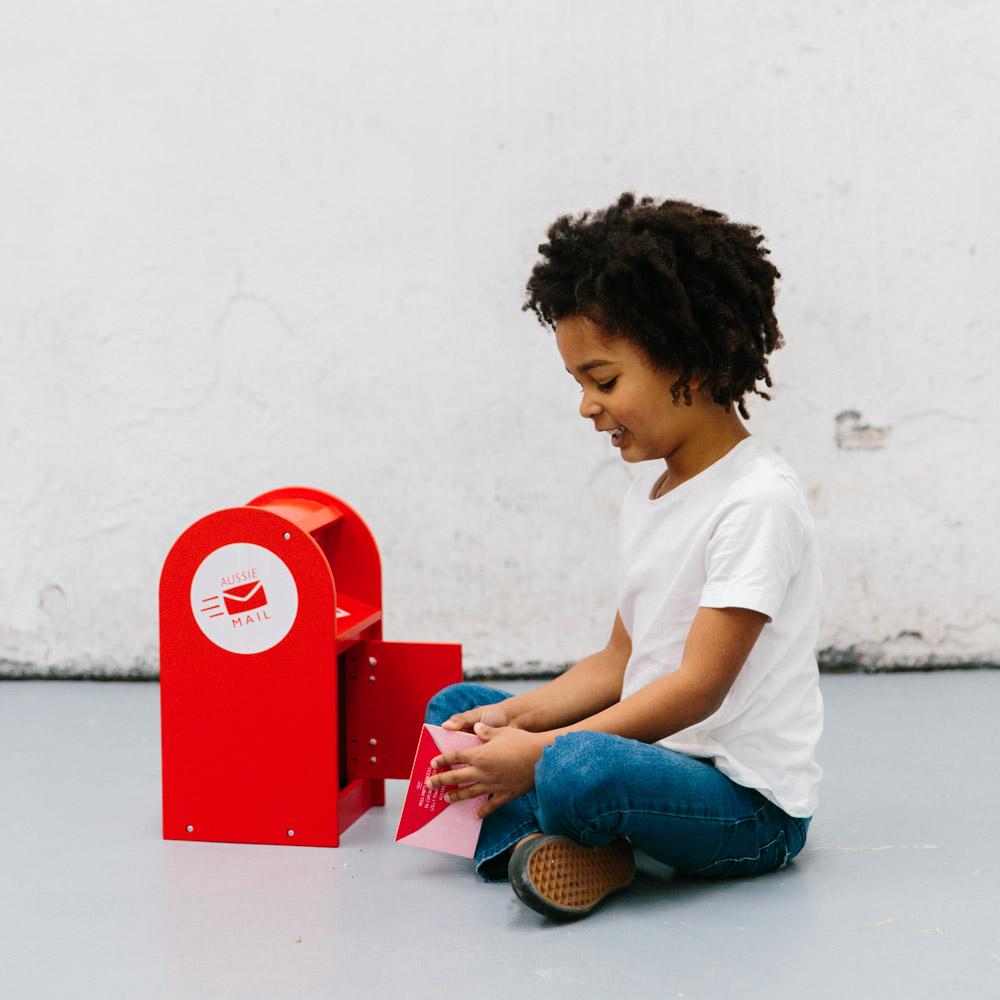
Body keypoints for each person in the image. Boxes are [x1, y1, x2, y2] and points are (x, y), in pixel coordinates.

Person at [423, 192, 823, 921]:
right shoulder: (653, 491)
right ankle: (568, 848)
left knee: (576, 765)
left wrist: (539, 751)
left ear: (691, 363)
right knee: (458, 711)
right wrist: (514, 716)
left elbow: (697, 688)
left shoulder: (756, 501)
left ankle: (552, 827)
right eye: (580, 383)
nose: (586, 406)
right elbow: (619, 660)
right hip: (647, 760)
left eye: (603, 381)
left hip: (740, 802)